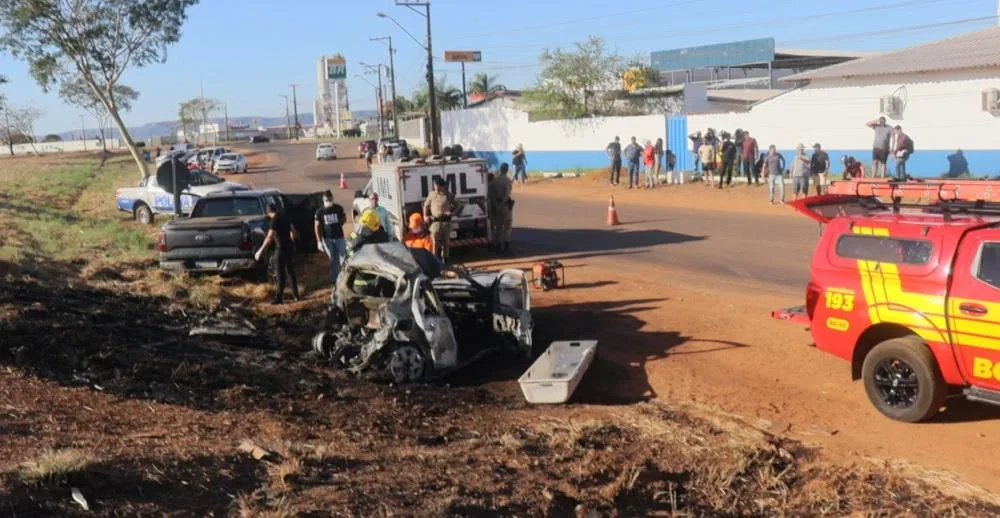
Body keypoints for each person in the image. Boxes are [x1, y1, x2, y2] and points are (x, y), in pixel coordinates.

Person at [254, 203, 300, 305]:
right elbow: (293, 231)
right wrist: (292, 242)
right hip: (289, 247)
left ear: (268, 212)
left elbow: (269, 237)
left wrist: (260, 251)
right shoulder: (285, 218)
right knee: (290, 272)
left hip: (280, 249)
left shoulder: (274, 221)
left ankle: (279, 297)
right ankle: (296, 295)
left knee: (280, 274)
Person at [314, 190, 347, 284]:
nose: (329, 201)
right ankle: (335, 280)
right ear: (323, 200)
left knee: (344, 257)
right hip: (327, 239)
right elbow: (316, 226)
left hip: (339, 237)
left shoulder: (338, 208)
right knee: (333, 259)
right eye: (327, 199)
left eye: (330, 199)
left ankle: (345, 277)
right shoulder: (320, 212)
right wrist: (319, 241)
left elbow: (344, 218)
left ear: (332, 198)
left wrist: (340, 223)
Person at [423, 177, 460, 261]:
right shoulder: (432, 195)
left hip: (446, 222)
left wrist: (453, 213)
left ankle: (445, 261)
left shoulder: (448, 195)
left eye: (436, 185)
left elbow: (457, 205)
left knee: (446, 243)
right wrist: (425, 216)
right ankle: (435, 260)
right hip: (435, 223)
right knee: (434, 243)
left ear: (441, 186)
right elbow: (426, 205)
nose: (435, 186)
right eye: (434, 185)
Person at [487, 163, 514, 253]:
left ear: (501, 169)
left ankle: (497, 244)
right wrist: (502, 204)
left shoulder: (495, 181)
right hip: (505, 206)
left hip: (497, 206)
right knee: (507, 227)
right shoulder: (507, 181)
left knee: (498, 227)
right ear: (506, 170)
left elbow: (490, 195)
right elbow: (507, 195)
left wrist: (496, 205)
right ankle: (506, 245)